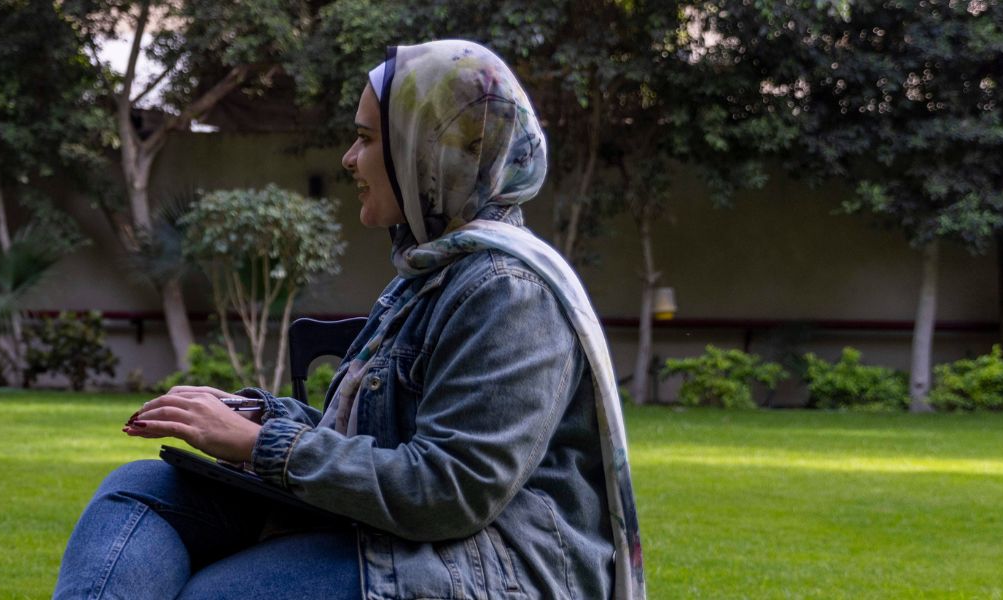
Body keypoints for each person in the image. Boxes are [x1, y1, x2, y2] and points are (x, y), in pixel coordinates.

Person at [53, 40, 645, 600]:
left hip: (493, 564)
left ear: (426, 152)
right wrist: (257, 415)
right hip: (417, 534)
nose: (348, 159)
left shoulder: (510, 292)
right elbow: (377, 437)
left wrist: (263, 445)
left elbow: (451, 490)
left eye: (365, 139)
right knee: (140, 487)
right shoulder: (431, 275)